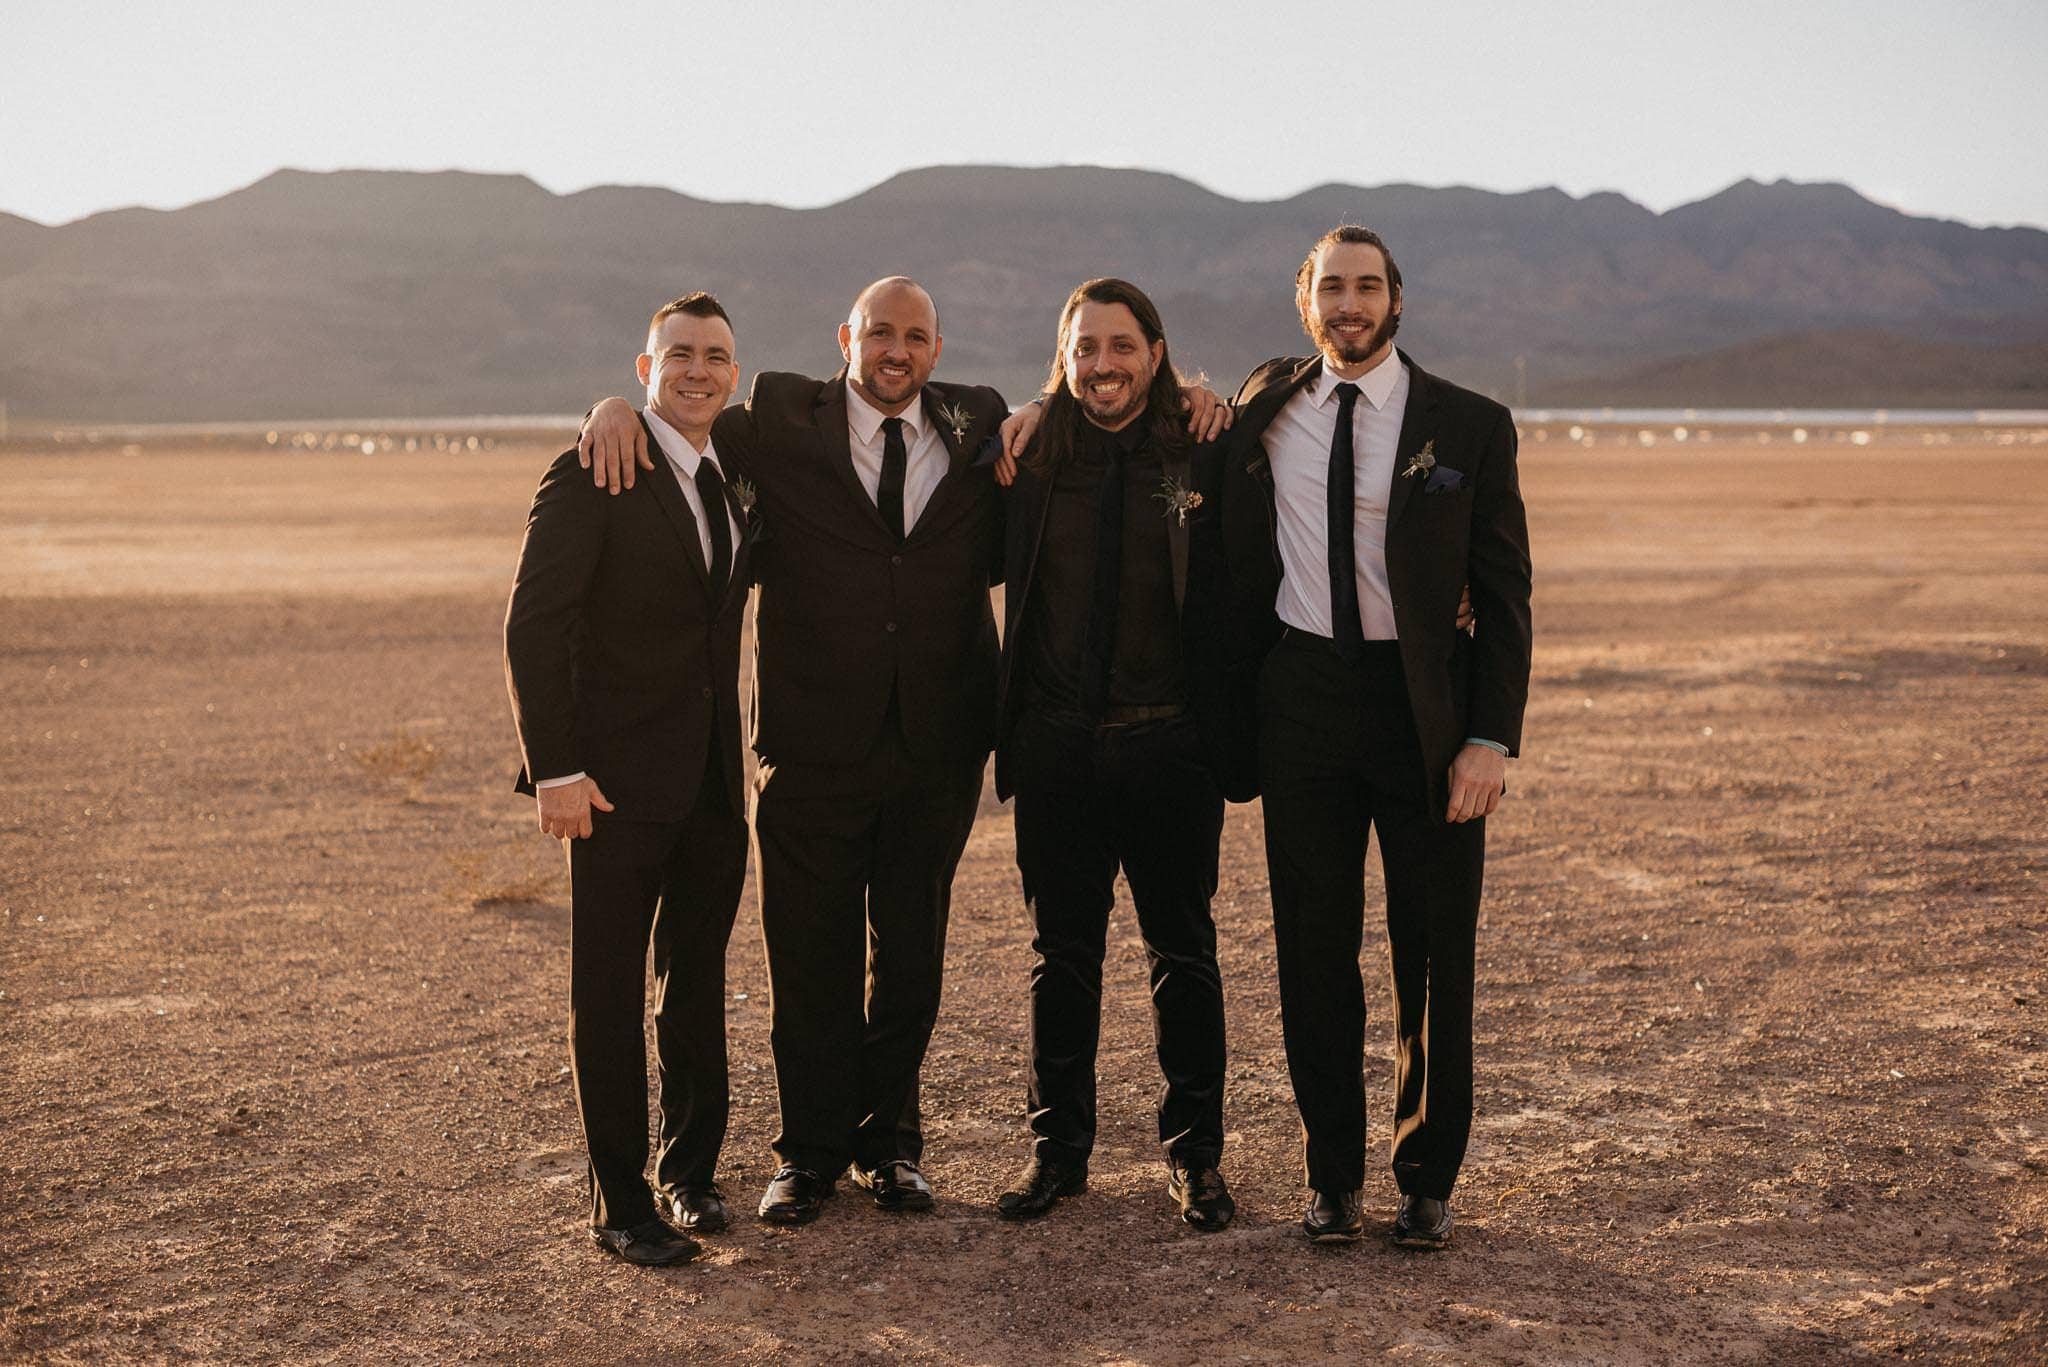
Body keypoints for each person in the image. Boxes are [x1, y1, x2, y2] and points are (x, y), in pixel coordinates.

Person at [578, 281, 1232, 1225]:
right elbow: (685, 409)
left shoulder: (982, 426)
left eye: (914, 336)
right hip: (809, 746)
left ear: (938, 348)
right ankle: (807, 1155)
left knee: (912, 960)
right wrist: (610, 406)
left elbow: (1066, 413)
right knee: (810, 957)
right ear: (845, 336)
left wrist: (1154, 396)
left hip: (937, 748)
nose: (895, 350)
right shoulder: (778, 419)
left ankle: (887, 1146)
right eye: (878, 332)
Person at [1220, 225, 1533, 1249]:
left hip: (1425, 709)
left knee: (1432, 952)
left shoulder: (1470, 425)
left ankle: (1425, 1174)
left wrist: (1488, 736)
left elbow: (1504, 593)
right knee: (1312, 950)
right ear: (1304, 302)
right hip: (1302, 697)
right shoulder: (1265, 406)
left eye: (1365, 286)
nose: (1347, 304)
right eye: (1329, 288)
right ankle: (1329, 1176)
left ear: (1395, 300)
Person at [503, 292, 754, 1265]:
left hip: (711, 786)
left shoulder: (731, 473)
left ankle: (689, 1174)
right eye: (678, 354)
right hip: (608, 784)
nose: (698, 369)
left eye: (715, 356)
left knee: (693, 984)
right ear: (644, 369)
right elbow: (535, 624)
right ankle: (620, 1200)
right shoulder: (593, 467)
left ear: (733, 375)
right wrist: (555, 767)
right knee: (605, 992)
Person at [988, 279, 1242, 1230]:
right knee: (1062, 958)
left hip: (1169, 743)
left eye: (1121, 345)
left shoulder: (1201, 447)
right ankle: (1058, 1155)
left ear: (1156, 350)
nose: (1103, 363)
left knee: (1184, 954)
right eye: (1085, 346)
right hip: (1055, 746)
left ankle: (1197, 1160)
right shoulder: (1027, 454)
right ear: (1064, 357)